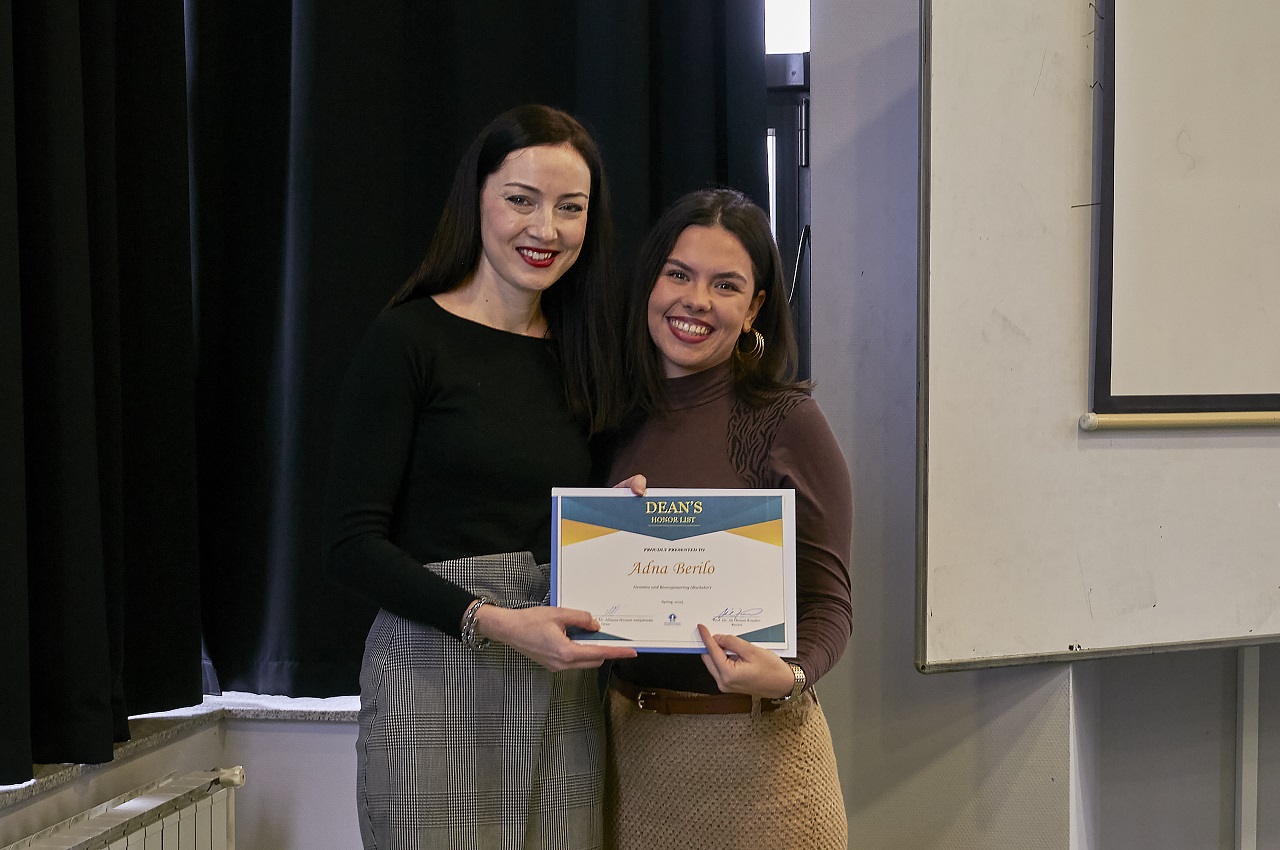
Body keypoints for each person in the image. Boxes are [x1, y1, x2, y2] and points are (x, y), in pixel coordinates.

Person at [323, 104, 636, 850]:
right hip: (435, 670)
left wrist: (615, 522)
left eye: (570, 208)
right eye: (521, 200)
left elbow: (548, 516)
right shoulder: (407, 339)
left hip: (559, 677)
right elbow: (351, 545)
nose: (545, 229)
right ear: (478, 199)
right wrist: (493, 622)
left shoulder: (588, 349)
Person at [603, 188, 853, 849]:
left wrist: (791, 675)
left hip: (765, 771)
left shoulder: (789, 422)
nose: (696, 301)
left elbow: (831, 604)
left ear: (754, 309)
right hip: (627, 766)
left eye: (726, 285)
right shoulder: (604, 418)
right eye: (678, 274)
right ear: (651, 282)